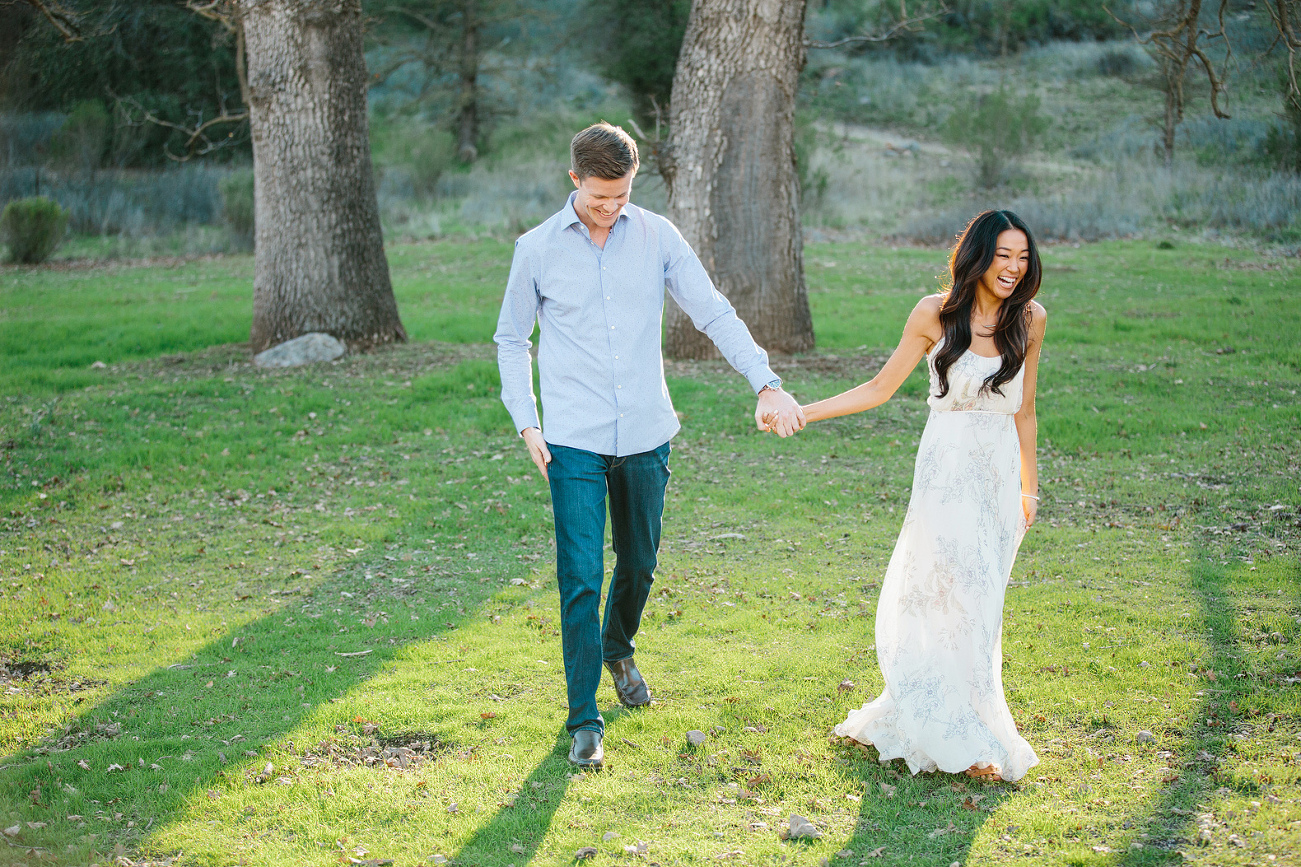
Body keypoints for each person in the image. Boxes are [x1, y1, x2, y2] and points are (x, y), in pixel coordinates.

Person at [494, 122, 805, 770]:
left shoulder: (657, 236)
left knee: (637, 563)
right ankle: (584, 719)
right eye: (601, 196)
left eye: (623, 195)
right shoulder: (536, 249)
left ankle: (618, 646)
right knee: (579, 577)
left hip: (643, 433)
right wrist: (526, 419)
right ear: (574, 180)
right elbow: (510, 339)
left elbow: (712, 310)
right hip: (571, 439)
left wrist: (766, 381)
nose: (611, 207)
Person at [795, 209, 1046, 782]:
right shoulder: (934, 313)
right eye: (1003, 256)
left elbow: (1026, 410)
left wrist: (1031, 486)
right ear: (979, 257)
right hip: (945, 469)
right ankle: (959, 736)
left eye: (1023, 257)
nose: (1013, 267)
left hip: (999, 474)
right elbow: (880, 388)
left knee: (982, 603)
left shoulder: (1031, 319)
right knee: (943, 593)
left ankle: (974, 720)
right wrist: (807, 413)